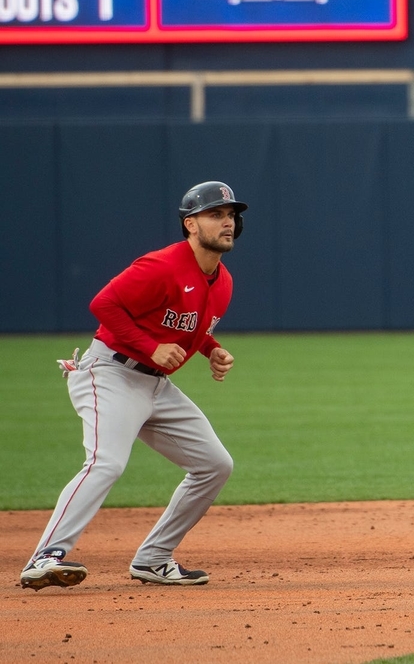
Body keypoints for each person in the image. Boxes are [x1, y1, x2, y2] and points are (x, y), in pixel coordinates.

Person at [20, 181, 247, 590]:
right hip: (110, 373)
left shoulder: (223, 281)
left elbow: (187, 327)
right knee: (106, 462)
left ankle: (154, 558)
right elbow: (103, 304)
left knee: (215, 465)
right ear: (190, 224)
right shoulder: (162, 265)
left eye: (231, 215)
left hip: (155, 387)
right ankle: (45, 556)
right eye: (216, 214)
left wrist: (210, 350)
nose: (227, 222)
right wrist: (149, 347)